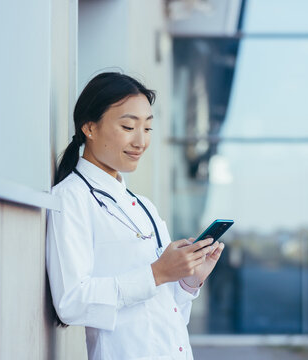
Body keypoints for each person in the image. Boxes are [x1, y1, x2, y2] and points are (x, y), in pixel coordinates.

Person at [46, 72, 224, 360]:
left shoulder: (144, 206)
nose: (141, 141)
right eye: (128, 126)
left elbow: (169, 313)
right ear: (89, 128)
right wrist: (157, 273)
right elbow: (71, 302)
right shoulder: (72, 198)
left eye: (148, 129)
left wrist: (189, 280)